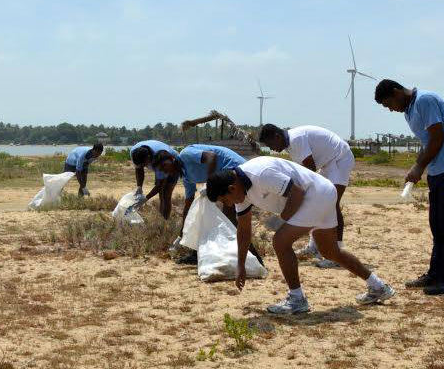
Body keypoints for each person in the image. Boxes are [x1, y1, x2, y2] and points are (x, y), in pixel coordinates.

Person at [206, 157, 394, 314]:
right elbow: (244, 229)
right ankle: (378, 287)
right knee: (330, 252)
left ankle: (297, 300)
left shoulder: (260, 174)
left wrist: (284, 218)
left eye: (225, 201)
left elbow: (297, 192)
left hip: (316, 194)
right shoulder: (241, 192)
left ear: (232, 188)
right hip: (322, 194)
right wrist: (240, 265)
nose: (229, 205)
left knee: (280, 241)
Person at [375, 79, 444, 295]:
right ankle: (435, 274)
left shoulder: (425, 100)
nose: (391, 109)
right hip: (437, 169)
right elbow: (427, 141)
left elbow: (439, 137)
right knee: (437, 225)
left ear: (396, 92)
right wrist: (420, 167)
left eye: (389, 104)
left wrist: (419, 166)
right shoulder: (409, 110)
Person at [258, 123, 354, 269]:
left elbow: (309, 169)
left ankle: (337, 252)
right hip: (328, 164)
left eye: (271, 144)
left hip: (339, 159)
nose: (271, 149)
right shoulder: (290, 144)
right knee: (316, 201)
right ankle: (314, 247)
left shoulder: (296, 139)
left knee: (331, 205)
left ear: (277, 136)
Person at [162, 144, 262, 265]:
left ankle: (255, 258)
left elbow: (212, 157)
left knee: (230, 218)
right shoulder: (187, 177)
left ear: (172, 159)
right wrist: (180, 235)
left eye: (164, 165)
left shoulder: (186, 154)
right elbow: (188, 205)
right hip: (221, 178)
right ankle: (198, 254)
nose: (165, 171)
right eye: (161, 170)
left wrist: (209, 184)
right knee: (202, 213)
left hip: (232, 169)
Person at [129, 140, 180, 219]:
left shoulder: (162, 158)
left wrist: (145, 199)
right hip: (157, 163)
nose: (145, 166)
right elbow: (139, 169)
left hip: (172, 164)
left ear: (149, 158)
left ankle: (164, 222)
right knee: (161, 196)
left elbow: (160, 185)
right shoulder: (134, 152)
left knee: (165, 195)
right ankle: (161, 220)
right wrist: (139, 187)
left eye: (145, 164)